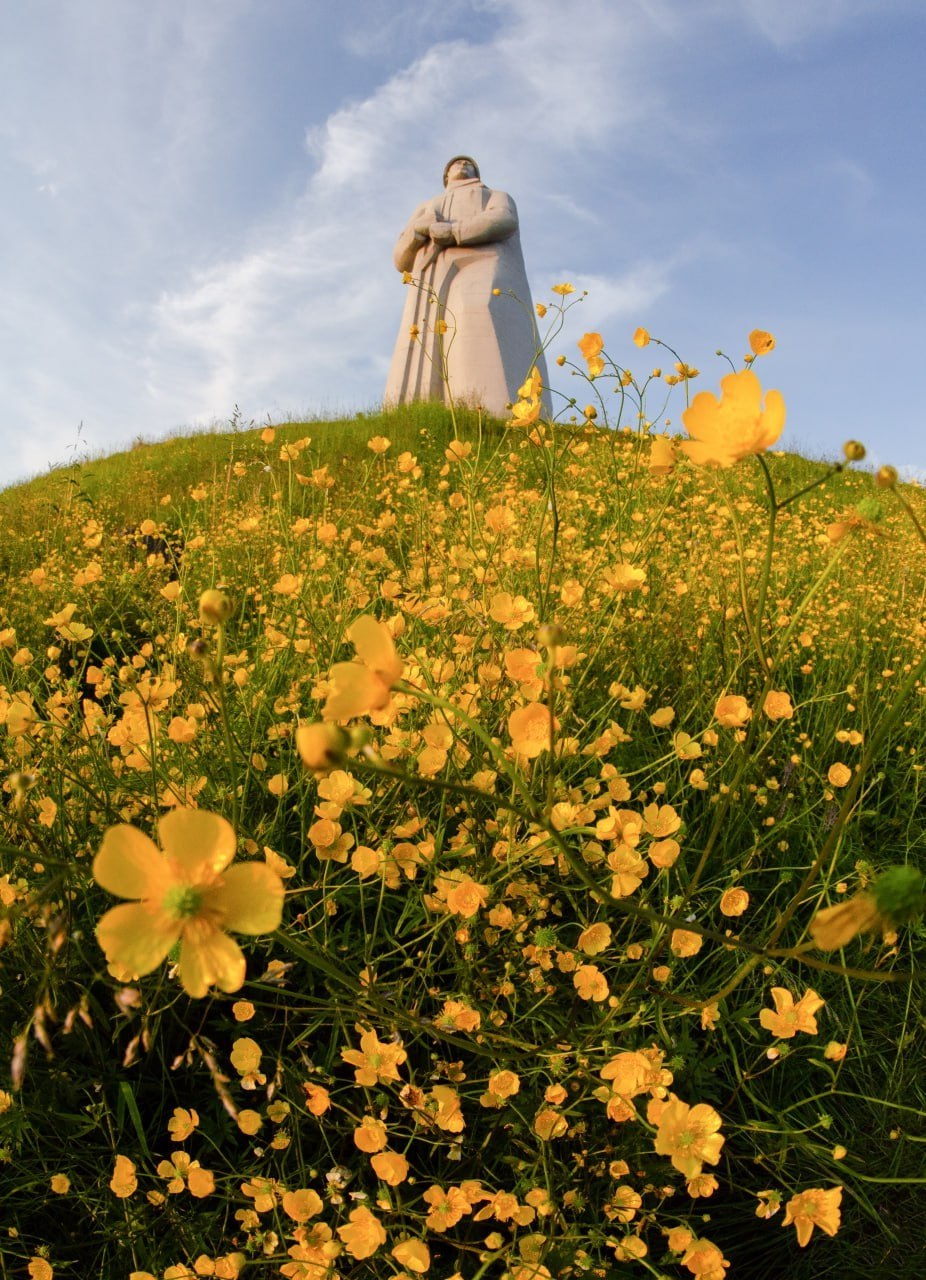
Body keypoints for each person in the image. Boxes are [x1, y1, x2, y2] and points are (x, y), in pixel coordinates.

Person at [384, 156, 549, 418]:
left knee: (477, 313)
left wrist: (453, 231)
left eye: (467, 163)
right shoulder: (426, 207)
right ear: (446, 176)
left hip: (481, 262)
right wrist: (418, 231)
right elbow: (400, 259)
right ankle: (424, 414)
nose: (461, 164)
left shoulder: (496, 196)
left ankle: (493, 412)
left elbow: (503, 220)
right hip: (432, 274)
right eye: (453, 164)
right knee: (429, 336)